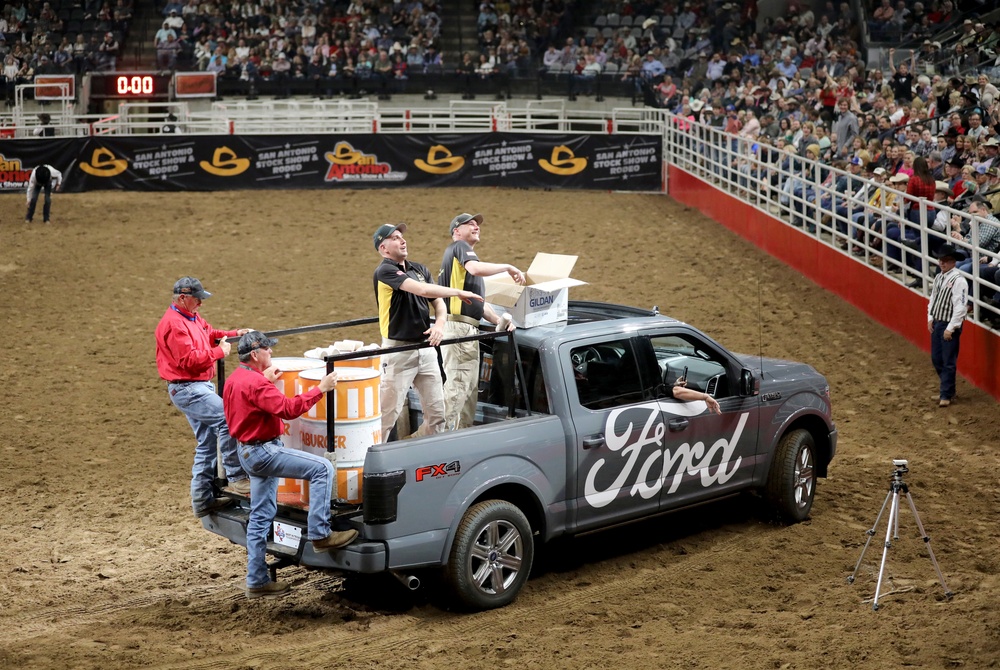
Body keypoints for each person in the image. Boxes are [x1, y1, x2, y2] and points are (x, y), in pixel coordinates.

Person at [223, 330, 358, 600]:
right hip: (263, 451)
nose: (271, 353)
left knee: (261, 516)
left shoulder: (236, 379)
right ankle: (320, 534)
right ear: (255, 354)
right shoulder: (256, 384)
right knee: (323, 469)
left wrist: (264, 380)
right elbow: (288, 409)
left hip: (247, 453)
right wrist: (320, 389)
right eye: (268, 350)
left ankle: (257, 580)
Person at [372, 223, 483, 441]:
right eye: (395, 238)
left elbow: (438, 304)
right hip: (398, 353)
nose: (402, 240)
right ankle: (368, 464)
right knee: (387, 416)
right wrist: (458, 291)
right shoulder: (384, 271)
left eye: (401, 236)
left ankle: (431, 460)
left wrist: (439, 325)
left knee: (437, 414)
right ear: (383, 248)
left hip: (425, 350)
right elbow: (422, 290)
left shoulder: (420, 269)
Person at [155, 276, 252, 517]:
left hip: (192, 387)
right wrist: (220, 351)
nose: (201, 303)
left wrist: (235, 333)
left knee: (207, 444)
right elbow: (188, 360)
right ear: (183, 298)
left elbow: (210, 332)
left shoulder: (189, 317)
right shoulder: (174, 325)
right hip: (189, 388)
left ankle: (203, 500)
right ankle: (237, 477)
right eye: (197, 299)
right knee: (228, 419)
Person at [438, 213, 522, 431]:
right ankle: (439, 441)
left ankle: (460, 437)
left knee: (467, 391)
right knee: (459, 388)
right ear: (456, 232)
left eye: (477, 224)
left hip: (465, 329)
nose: (476, 226)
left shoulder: (462, 260)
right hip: (460, 330)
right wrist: (508, 267)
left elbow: (479, 304)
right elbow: (475, 268)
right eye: (470, 223)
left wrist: (498, 321)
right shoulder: (460, 248)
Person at [927, 244, 967, 408]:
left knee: (948, 360)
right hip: (938, 322)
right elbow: (933, 298)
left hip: (948, 324)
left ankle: (946, 393)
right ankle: (948, 390)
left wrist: (951, 327)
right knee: (937, 358)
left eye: (946, 260)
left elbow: (961, 306)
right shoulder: (939, 277)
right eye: (941, 260)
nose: (942, 263)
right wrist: (930, 317)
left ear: (953, 262)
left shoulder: (959, 280)